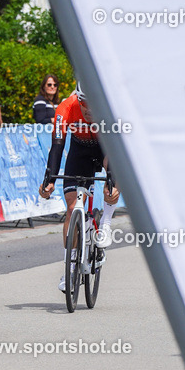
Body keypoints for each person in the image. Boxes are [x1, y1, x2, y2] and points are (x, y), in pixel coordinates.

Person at [38, 84, 120, 293]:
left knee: (111, 186)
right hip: (79, 152)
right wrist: (49, 179)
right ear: (78, 99)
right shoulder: (65, 107)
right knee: (71, 208)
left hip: (106, 149)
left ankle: (106, 224)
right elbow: (57, 145)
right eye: (85, 105)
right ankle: (71, 266)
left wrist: (112, 180)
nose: (89, 109)